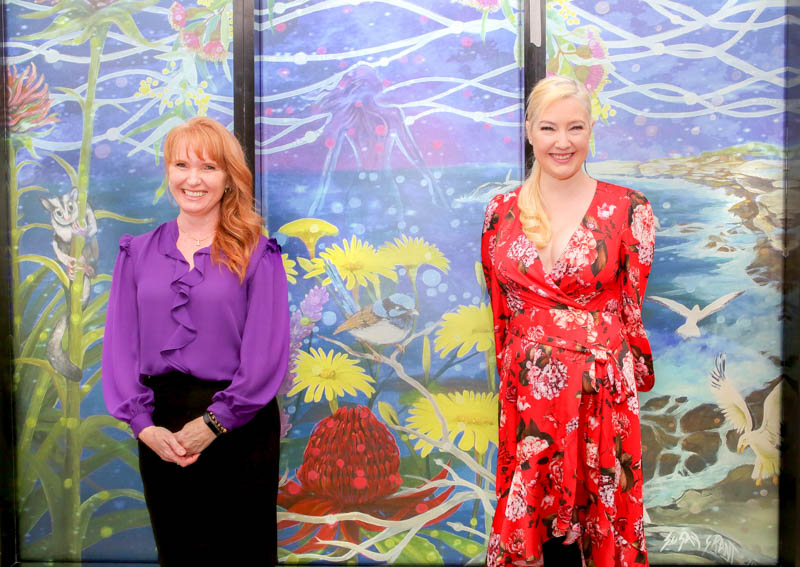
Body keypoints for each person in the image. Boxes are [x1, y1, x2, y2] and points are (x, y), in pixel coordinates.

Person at [482, 75, 655, 567]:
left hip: (601, 396)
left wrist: (617, 377)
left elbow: (630, 309)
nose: (563, 142)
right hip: (529, 398)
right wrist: (517, 381)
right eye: (549, 128)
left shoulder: (629, 208)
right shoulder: (499, 211)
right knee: (531, 540)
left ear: (591, 130)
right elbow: (500, 312)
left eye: (575, 127)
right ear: (529, 131)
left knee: (601, 533)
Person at [102, 116, 289, 565]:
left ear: (228, 179)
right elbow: (119, 346)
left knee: (241, 554)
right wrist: (143, 426)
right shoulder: (137, 252)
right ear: (168, 171)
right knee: (179, 552)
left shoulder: (257, 253)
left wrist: (215, 423)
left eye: (208, 168)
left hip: (239, 423)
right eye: (181, 164)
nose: (193, 179)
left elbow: (266, 354)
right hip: (160, 426)